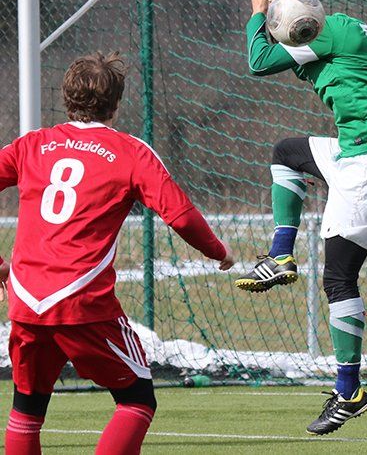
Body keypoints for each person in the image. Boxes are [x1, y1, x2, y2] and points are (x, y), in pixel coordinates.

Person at [0, 52, 235, 455]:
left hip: (27, 301)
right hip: (81, 301)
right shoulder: (130, 151)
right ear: (116, 103)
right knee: (137, 400)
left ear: (66, 97)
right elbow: (179, 215)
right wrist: (218, 250)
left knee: (27, 408)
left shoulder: (32, 145)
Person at [235, 0, 367, 435]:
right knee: (287, 153)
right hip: (361, 152)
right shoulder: (336, 32)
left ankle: (349, 392)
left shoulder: (330, 31)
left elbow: (258, 61)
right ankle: (281, 254)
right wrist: (278, 18)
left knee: (338, 280)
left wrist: (259, 14)